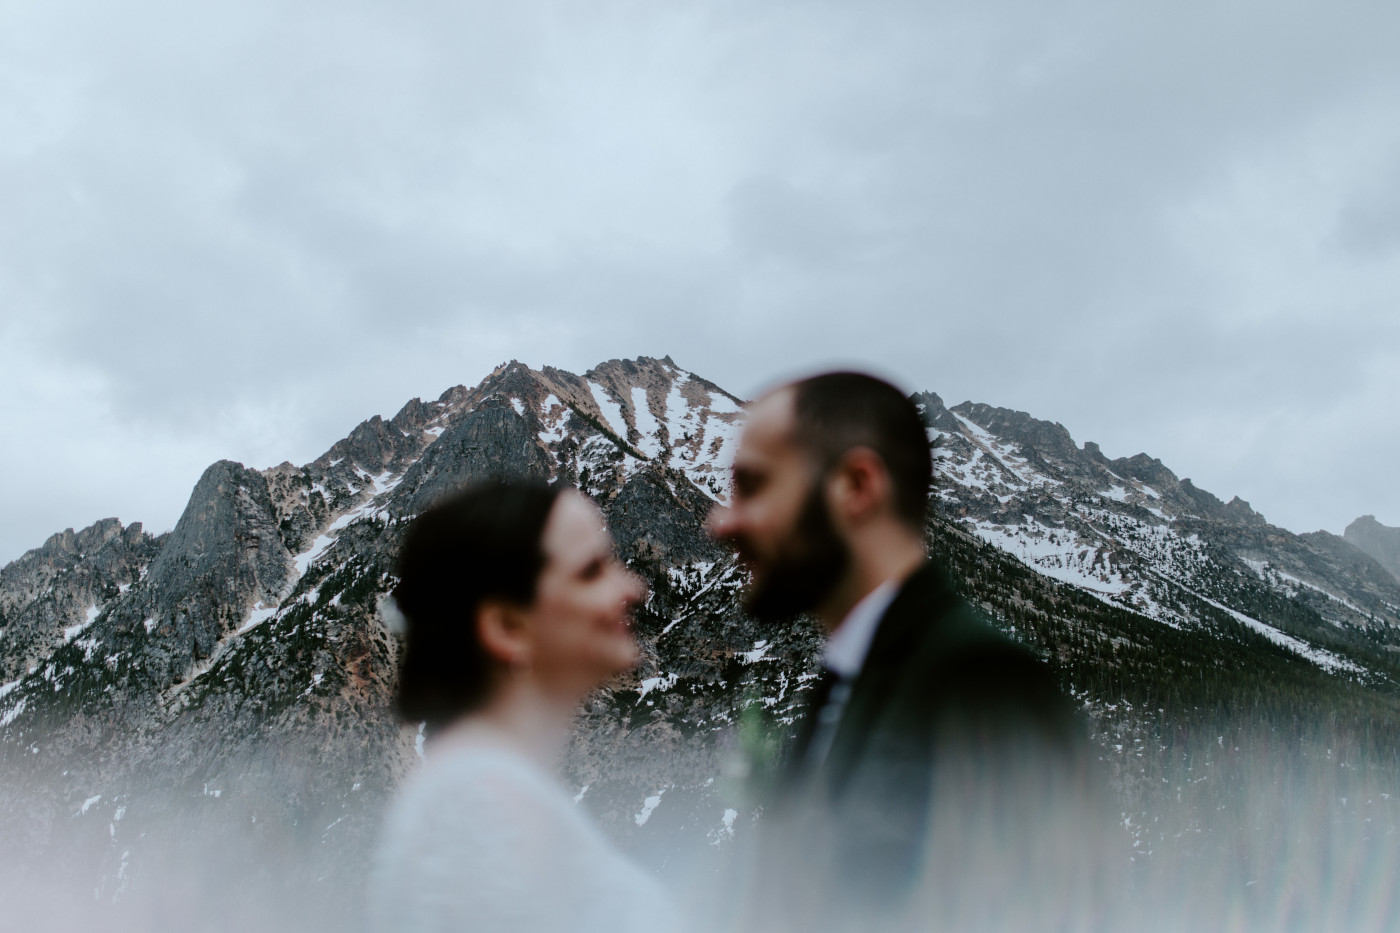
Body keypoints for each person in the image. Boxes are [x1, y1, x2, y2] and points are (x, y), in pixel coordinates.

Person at [706, 372, 1119, 932]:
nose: (720, 522)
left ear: (856, 485)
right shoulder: (846, 680)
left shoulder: (982, 680)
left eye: (752, 485)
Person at [369, 478, 678, 933]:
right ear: (507, 626)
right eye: (591, 570)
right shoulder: (477, 808)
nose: (632, 587)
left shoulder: (485, 790)